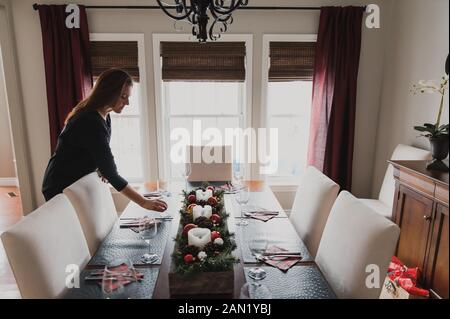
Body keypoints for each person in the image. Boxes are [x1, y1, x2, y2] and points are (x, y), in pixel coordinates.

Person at [42, 68, 167, 212]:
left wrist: (101, 168)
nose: (127, 103)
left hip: (76, 182)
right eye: (123, 96)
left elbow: (94, 152)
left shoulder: (104, 116)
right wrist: (144, 202)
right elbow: (111, 173)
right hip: (60, 186)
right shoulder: (90, 120)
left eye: (128, 96)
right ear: (109, 93)